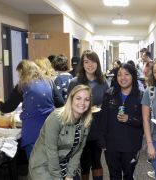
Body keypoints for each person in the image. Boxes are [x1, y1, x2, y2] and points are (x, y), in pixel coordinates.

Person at [0, 60, 64, 158]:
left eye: (19, 74)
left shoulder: (22, 85)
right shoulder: (49, 82)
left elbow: (7, 108)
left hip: (32, 130)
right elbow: (61, 104)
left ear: (22, 72)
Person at [29, 85, 93, 180]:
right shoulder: (56, 117)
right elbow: (51, 152)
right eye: (78, 98)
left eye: (87, 99)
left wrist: (70, 175)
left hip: (64, 163)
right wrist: (58, 178)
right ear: (71, 100)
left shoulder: (86, 122)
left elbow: (78, 152)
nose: (82, 103)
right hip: (44, 165)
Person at [68, 50, 109, 180]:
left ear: (97, 63)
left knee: (96, 160)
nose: (90, 65)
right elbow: (68, 105)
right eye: (86, 62)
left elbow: (107, 105)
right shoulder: (75, 82)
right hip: (80, 127)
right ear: (82, 64)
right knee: (84, 163)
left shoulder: (103, 82)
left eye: (93, 61)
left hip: (98, 127)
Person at [98, 63, 143, 180]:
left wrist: (130, 119)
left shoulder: (140, 96)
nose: (123, 78)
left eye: (127, 74)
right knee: (114, 176)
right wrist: (102, 140)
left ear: (133, 76)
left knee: (129, 175)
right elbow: (103, 118)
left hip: (131, 144)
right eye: (119, 75)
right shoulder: (109, 94)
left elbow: (144, 122)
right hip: (112, 144)